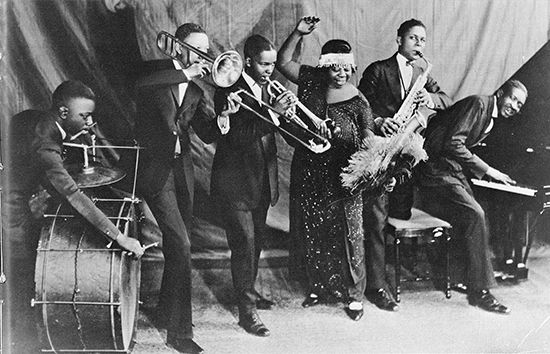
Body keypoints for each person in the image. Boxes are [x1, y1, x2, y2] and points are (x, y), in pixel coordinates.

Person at [2, 80, 144, 353]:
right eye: (85, 116)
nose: (90, 122)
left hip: (15, 198)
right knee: (19, 284)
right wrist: (119, 236)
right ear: (64, 113)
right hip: (8, 210)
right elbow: (71, 193)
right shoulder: (45, 143)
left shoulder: (39, 120)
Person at [277, 17, 375, 321]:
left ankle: (355, 296)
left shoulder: (360, 101)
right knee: (316, 230)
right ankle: (320, 286)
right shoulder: (310, 81)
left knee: (351, 235)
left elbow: (370, 139)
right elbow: (283, 62)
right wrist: (297, 34)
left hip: (346, 177)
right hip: (310, 171)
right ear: (325, 67)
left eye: (347, 69)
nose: (342, 74)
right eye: (336, 68)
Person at [357, 18, 452, 312]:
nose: (419, 45)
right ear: (399, 40)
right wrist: (378, 122)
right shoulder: (378, 69)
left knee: (398, 215)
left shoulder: (423, 72)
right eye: (413, 38)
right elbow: (360, 107)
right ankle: (376, 286)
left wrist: (431, 98)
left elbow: (447, 100)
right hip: (380, 151)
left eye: (423, 40)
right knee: (375, 220)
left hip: (406, 156)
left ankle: (392, 273)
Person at [133, 23, 216, 354]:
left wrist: (223, 118)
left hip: (183, 173)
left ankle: (165, 310)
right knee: (181, 244)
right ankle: (179, 333)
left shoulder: (196, 91)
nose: (203, 55)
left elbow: (206, 134)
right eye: (197, 48)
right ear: (178, 47)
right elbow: (139, 85)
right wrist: (186, 73)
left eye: (205, 49)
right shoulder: (156, 72)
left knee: (178, 244)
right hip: (156, 170)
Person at [416, 79, 527, 314]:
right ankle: (481, 292)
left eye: (520, 104)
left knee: (473, 215)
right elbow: (454, 143)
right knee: (476, 214)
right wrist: (490, 171)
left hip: (450, 169)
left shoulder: (490, 114)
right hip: (435, 169)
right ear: (500, 93)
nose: (515, 106)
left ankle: (463, 277)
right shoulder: (479, 104)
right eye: (513, 99)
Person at [210, 34, 297, 336]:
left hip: (262, 182)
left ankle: (249, 293)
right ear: (248, 61)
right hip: (235, 183)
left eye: (273, 64)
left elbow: (280, 128)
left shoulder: (269, 88)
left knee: (256, 245)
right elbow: (236, 137)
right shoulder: (227, 88)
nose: (270, 70)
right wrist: (274, 112)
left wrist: (299, 124)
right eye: (264, 64)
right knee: (244, 246)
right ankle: (247, 312)